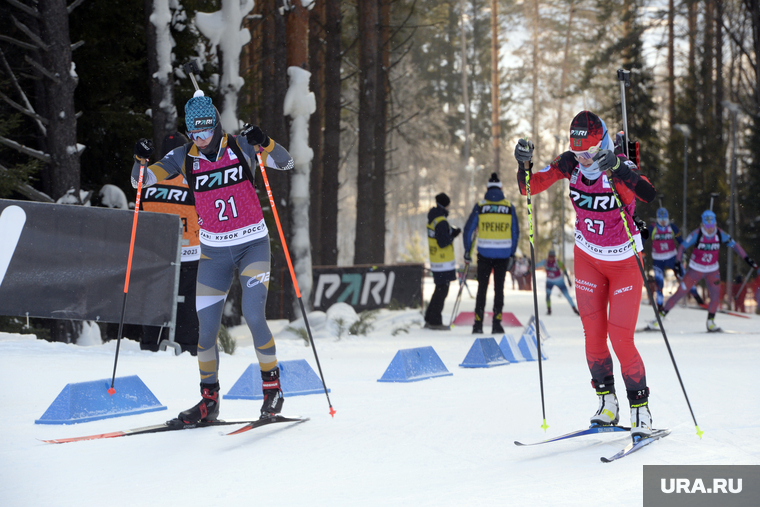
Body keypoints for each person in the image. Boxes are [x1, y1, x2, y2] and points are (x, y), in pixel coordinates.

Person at [131, 90, 295, 424]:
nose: (201, 139)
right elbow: (142, 183)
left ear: (216, 125)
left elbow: (286, 162)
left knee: (253, 313)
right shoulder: (183, 157)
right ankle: (209, 400)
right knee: (205, 332)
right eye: (194, 133)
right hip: (214, 254)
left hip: (252, 245)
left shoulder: (239, 145)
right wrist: (139, 160)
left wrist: (264, 142)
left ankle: (272, 389)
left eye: (206, 131)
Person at [514, 110, 657, 438]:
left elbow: (647, 193)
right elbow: (529, 188)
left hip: (624, 263)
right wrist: (524, 166)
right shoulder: (570, 163)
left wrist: (619, 167)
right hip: (587, 259)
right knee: (593, 337)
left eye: (590, 152)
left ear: (602, 143)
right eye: (578, 152)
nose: (584, 159)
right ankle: (607, 404)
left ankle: (641, 409)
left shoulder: (618, 163)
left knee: (620, 337)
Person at [139, 132, 201, 355]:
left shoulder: (147, 180)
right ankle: (188, 346)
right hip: (190, 251)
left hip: (157, 253)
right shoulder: (194, 180)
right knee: (190, 302)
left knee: (154, 297)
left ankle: (151, 342)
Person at [650, 210, 757, 332]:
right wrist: (677, 263)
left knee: (716, 296)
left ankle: (711, 322)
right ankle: (658, 320)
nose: (710, 229)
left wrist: (747, 259)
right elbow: (682, 246)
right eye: (707, 226)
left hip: (712, 270)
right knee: (680, 293)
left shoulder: (720, 233)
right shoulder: (697, 233)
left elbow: (735, 246)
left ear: (715, 224)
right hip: (695, 270)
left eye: (712, 226)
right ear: (703, 224)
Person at [463, 173, 519, 334]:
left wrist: (467, 250)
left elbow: (469, 230)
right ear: (501, 188)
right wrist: (512, 254)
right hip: (503, 254)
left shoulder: (480, 206)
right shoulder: (509, 207)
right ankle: (496, 323)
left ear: (487, 188)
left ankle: (478, 323)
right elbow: (515, 232)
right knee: (499, 289)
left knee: (482, 288)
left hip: (484, 254)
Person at [648, 207, 703, 311]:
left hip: (672, 258)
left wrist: (684, 253)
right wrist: (640, 251)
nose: (663, 222)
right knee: (659, 283)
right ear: (657, 219)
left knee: (685, 278)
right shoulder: (652, 228)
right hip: (658, 260)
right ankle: (660, 307)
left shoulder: (672, 227)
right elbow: (642, 238)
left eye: (665, 219)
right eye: (661, 219)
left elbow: (680, 240)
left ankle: (699, 300)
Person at [424, 193, 461, 330]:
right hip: (443, 262)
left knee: (438, 289)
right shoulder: (441, 220)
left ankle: (429, 317)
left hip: (436, 261)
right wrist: (453, 236)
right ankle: (435, 321)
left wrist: (451, 232)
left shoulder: (434, 218)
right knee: (442, 291)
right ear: (446, 204)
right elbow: (443, 242)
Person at [536, 249, 579, 316]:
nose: (551, 258)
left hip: (559, 281)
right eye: (550, 256)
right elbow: (536, 265)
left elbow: (564, 270)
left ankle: (574, 309)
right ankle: (549, 310)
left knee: (567, 295)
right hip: (549, 281)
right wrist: (529, 271)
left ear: (554, 257)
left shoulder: (557, 262)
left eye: (552, 257)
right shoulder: (545, 261)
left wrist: (568, 279)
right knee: (548, 295)